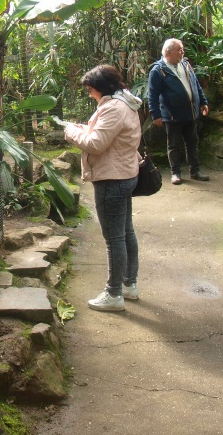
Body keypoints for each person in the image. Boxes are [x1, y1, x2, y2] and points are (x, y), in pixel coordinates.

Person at [64, 65, 142, 312]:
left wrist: (71, 133)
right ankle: (128, 284)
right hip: (124, 174)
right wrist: (83, 129)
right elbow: (109, 138)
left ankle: (113, 294)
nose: (89, 94)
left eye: (90, 89)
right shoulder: (124, 102)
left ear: (101, 87)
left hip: (112, 179)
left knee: (114, 238)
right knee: (126, 232)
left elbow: (96, 144)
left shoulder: (113, 108)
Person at [147, 38, 210, 185]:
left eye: (182, 49)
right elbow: (152, 95)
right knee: (174, 146)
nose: (183, 52)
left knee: (192, 143)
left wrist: (203, 102)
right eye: (179, 49)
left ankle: (195, 171)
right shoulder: (158, 70)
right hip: (172, 116)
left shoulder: (186, 65)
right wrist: (156, 115)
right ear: (168, 52)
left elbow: (196, 85)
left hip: (190, 113)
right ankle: (175, 173)